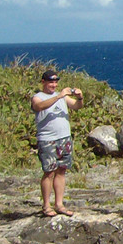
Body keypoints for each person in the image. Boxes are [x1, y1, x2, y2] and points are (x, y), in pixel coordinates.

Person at [31, 69, 84, 217]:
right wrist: (59, 96)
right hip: (47, 139)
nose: (53, 85)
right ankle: (46, 205)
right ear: (43, 82)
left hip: (64, 138)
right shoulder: (38, 97)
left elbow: (77, 106)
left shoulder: (62, 97)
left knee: (61, 171)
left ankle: (59, 204)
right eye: (50, 82)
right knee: (48, 172)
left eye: (55, 82)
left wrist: (79, 98)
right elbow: (39, 106)